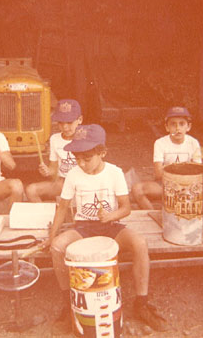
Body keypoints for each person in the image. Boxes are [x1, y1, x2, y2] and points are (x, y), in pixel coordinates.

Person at [44, 124, 167, 334]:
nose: (81, 163)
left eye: (87, 158)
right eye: (77, 158)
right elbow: (63, 207)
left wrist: (111, 216)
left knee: (139, 243)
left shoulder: (114, 172)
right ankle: (69, 303)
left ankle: (141, 303)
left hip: (111, 227)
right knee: (57, 247)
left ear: (102, 152)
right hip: (84, 228)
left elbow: (126, 207)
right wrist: (51, 236)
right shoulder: (73, 175)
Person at [132, 106, 203, 209]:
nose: (178, 128)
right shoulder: (160, 143)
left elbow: (198, 170)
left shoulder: (193, 142)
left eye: (182, 124)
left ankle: (189, 207)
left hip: (187, 184)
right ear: (167, 127)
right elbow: (159, 173)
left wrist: (186, 180)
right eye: (173, 124)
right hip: (166, 184)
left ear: (188, 127)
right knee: (137, 189)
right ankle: (153, 213)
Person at [25, 99, 82, 202]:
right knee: (31, 190)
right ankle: (45, 212)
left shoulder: (86, 137)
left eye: (69, 122)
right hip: (63, 182)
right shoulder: (54, 139)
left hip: (83, 182)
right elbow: (53, 169)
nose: (65, 127)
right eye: (61, 123)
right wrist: (47, 171)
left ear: (80, 120)